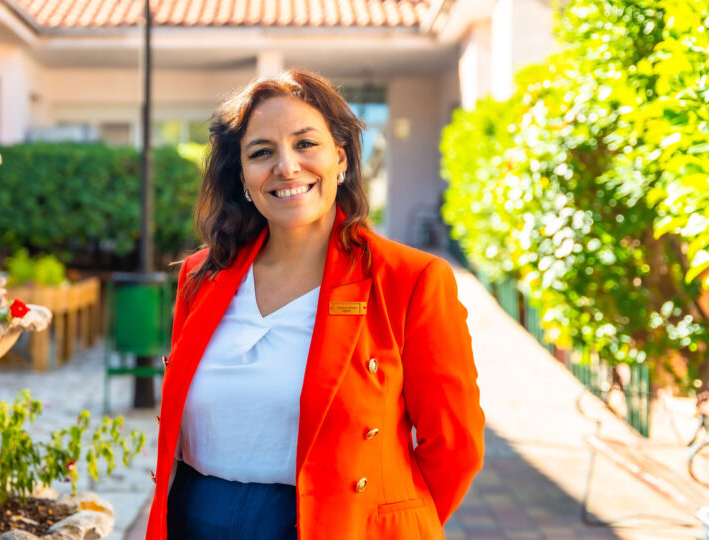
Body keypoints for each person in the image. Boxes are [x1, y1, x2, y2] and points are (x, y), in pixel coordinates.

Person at [146, 69, 485, 540]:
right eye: (261, 152)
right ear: (242, 176)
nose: (286, 166)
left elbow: (455, 448)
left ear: (340, 159)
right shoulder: (201, 276)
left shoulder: (410, 280)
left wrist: (384, 522)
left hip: (335, 525)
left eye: (306, 144)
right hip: (195, 519)